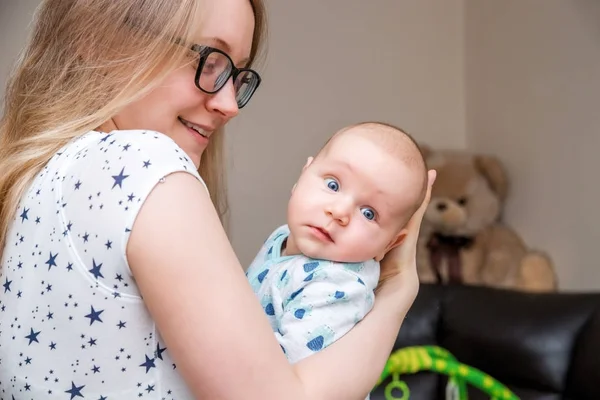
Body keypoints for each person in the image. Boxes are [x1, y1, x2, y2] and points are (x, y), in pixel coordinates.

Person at [0, 0, 436, 399]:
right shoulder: (144, 163)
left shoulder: (40, 172)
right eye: (208, 58)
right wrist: (397, 292)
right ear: (96, 39)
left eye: (235, 74)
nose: (230, 103)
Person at [246, 122, 428, 370]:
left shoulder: (339, 286)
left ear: (390, 243)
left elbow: (282, 378)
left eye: (368, 213)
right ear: (302, 176)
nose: (339, 212)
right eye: (333, 185)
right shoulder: (284, 236)